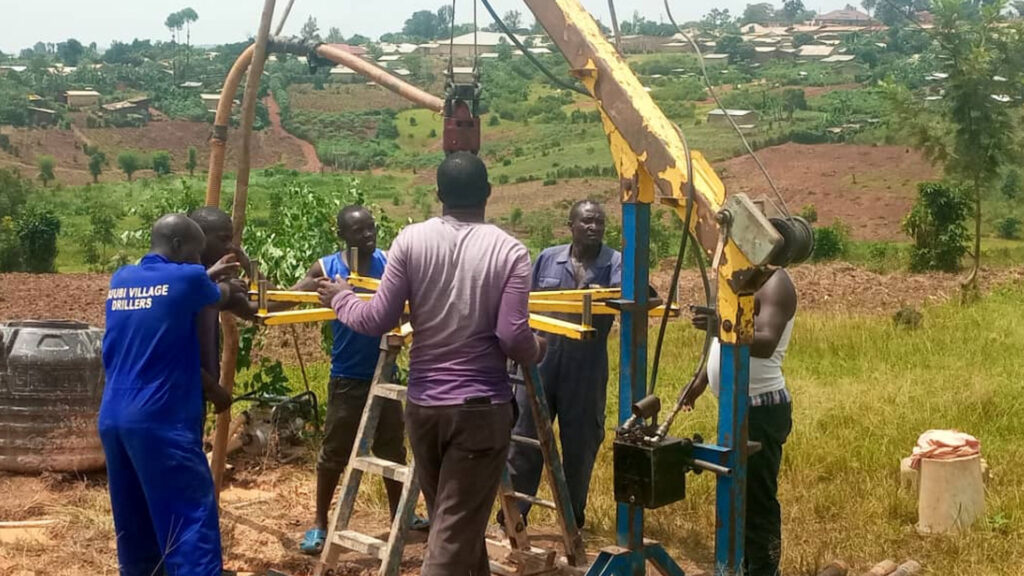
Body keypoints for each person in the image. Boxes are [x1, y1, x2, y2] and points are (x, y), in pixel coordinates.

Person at [317, 152, 545, 575]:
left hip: (424, 409)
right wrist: (539, 349)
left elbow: (377, 319)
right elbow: (513, 338)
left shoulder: (410, 241)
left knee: (455, 523)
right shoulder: (510, 251)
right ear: (489, 193)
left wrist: (340, 297)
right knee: (453, 533)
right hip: (479, 411)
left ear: (439, 194)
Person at [98, 213, 245, 576]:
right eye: (196, 254)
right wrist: (234, 281)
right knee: (190, 516)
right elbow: (223, 295)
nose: (199, 262)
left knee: (134, 518)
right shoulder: (191, 277)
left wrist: (201, 275)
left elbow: (171, 291)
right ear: (179, 246)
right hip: (161, 419)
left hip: (114, 418)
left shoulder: (122, 278)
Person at [285, 205, 423, 555]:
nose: (368, 235)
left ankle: (400, 519)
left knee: (392, 451)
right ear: (342, 236)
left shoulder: (389, 262)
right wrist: (265, 298)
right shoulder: (328, 267)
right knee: (334, 453)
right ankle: (319, 523)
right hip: (347, 377)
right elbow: (293, 296)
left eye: (371, 228)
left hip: (384, 371)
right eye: (359, 231)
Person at [503, 199, 621, 530]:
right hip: (542, 359)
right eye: (586, 221)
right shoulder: (547, 258)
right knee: (525, 435)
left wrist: (604, 295)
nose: (594, 227)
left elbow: (633, 296)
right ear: (570, 225)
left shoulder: (615, 263)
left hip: (586, 366)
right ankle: (515, 516)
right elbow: (524, 304)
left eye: (599, 222)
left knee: (580, 444)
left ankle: (572, 520)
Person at [683, 268, 797, 576]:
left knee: (757, 501)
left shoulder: (776, 283)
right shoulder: (733, 275)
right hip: (733, 406)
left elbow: (766, 341)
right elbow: (721, 341)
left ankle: (762, 570)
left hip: (760, 408)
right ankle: (739, 565)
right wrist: (700, 381)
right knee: (735, 493)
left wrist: (719, 326)